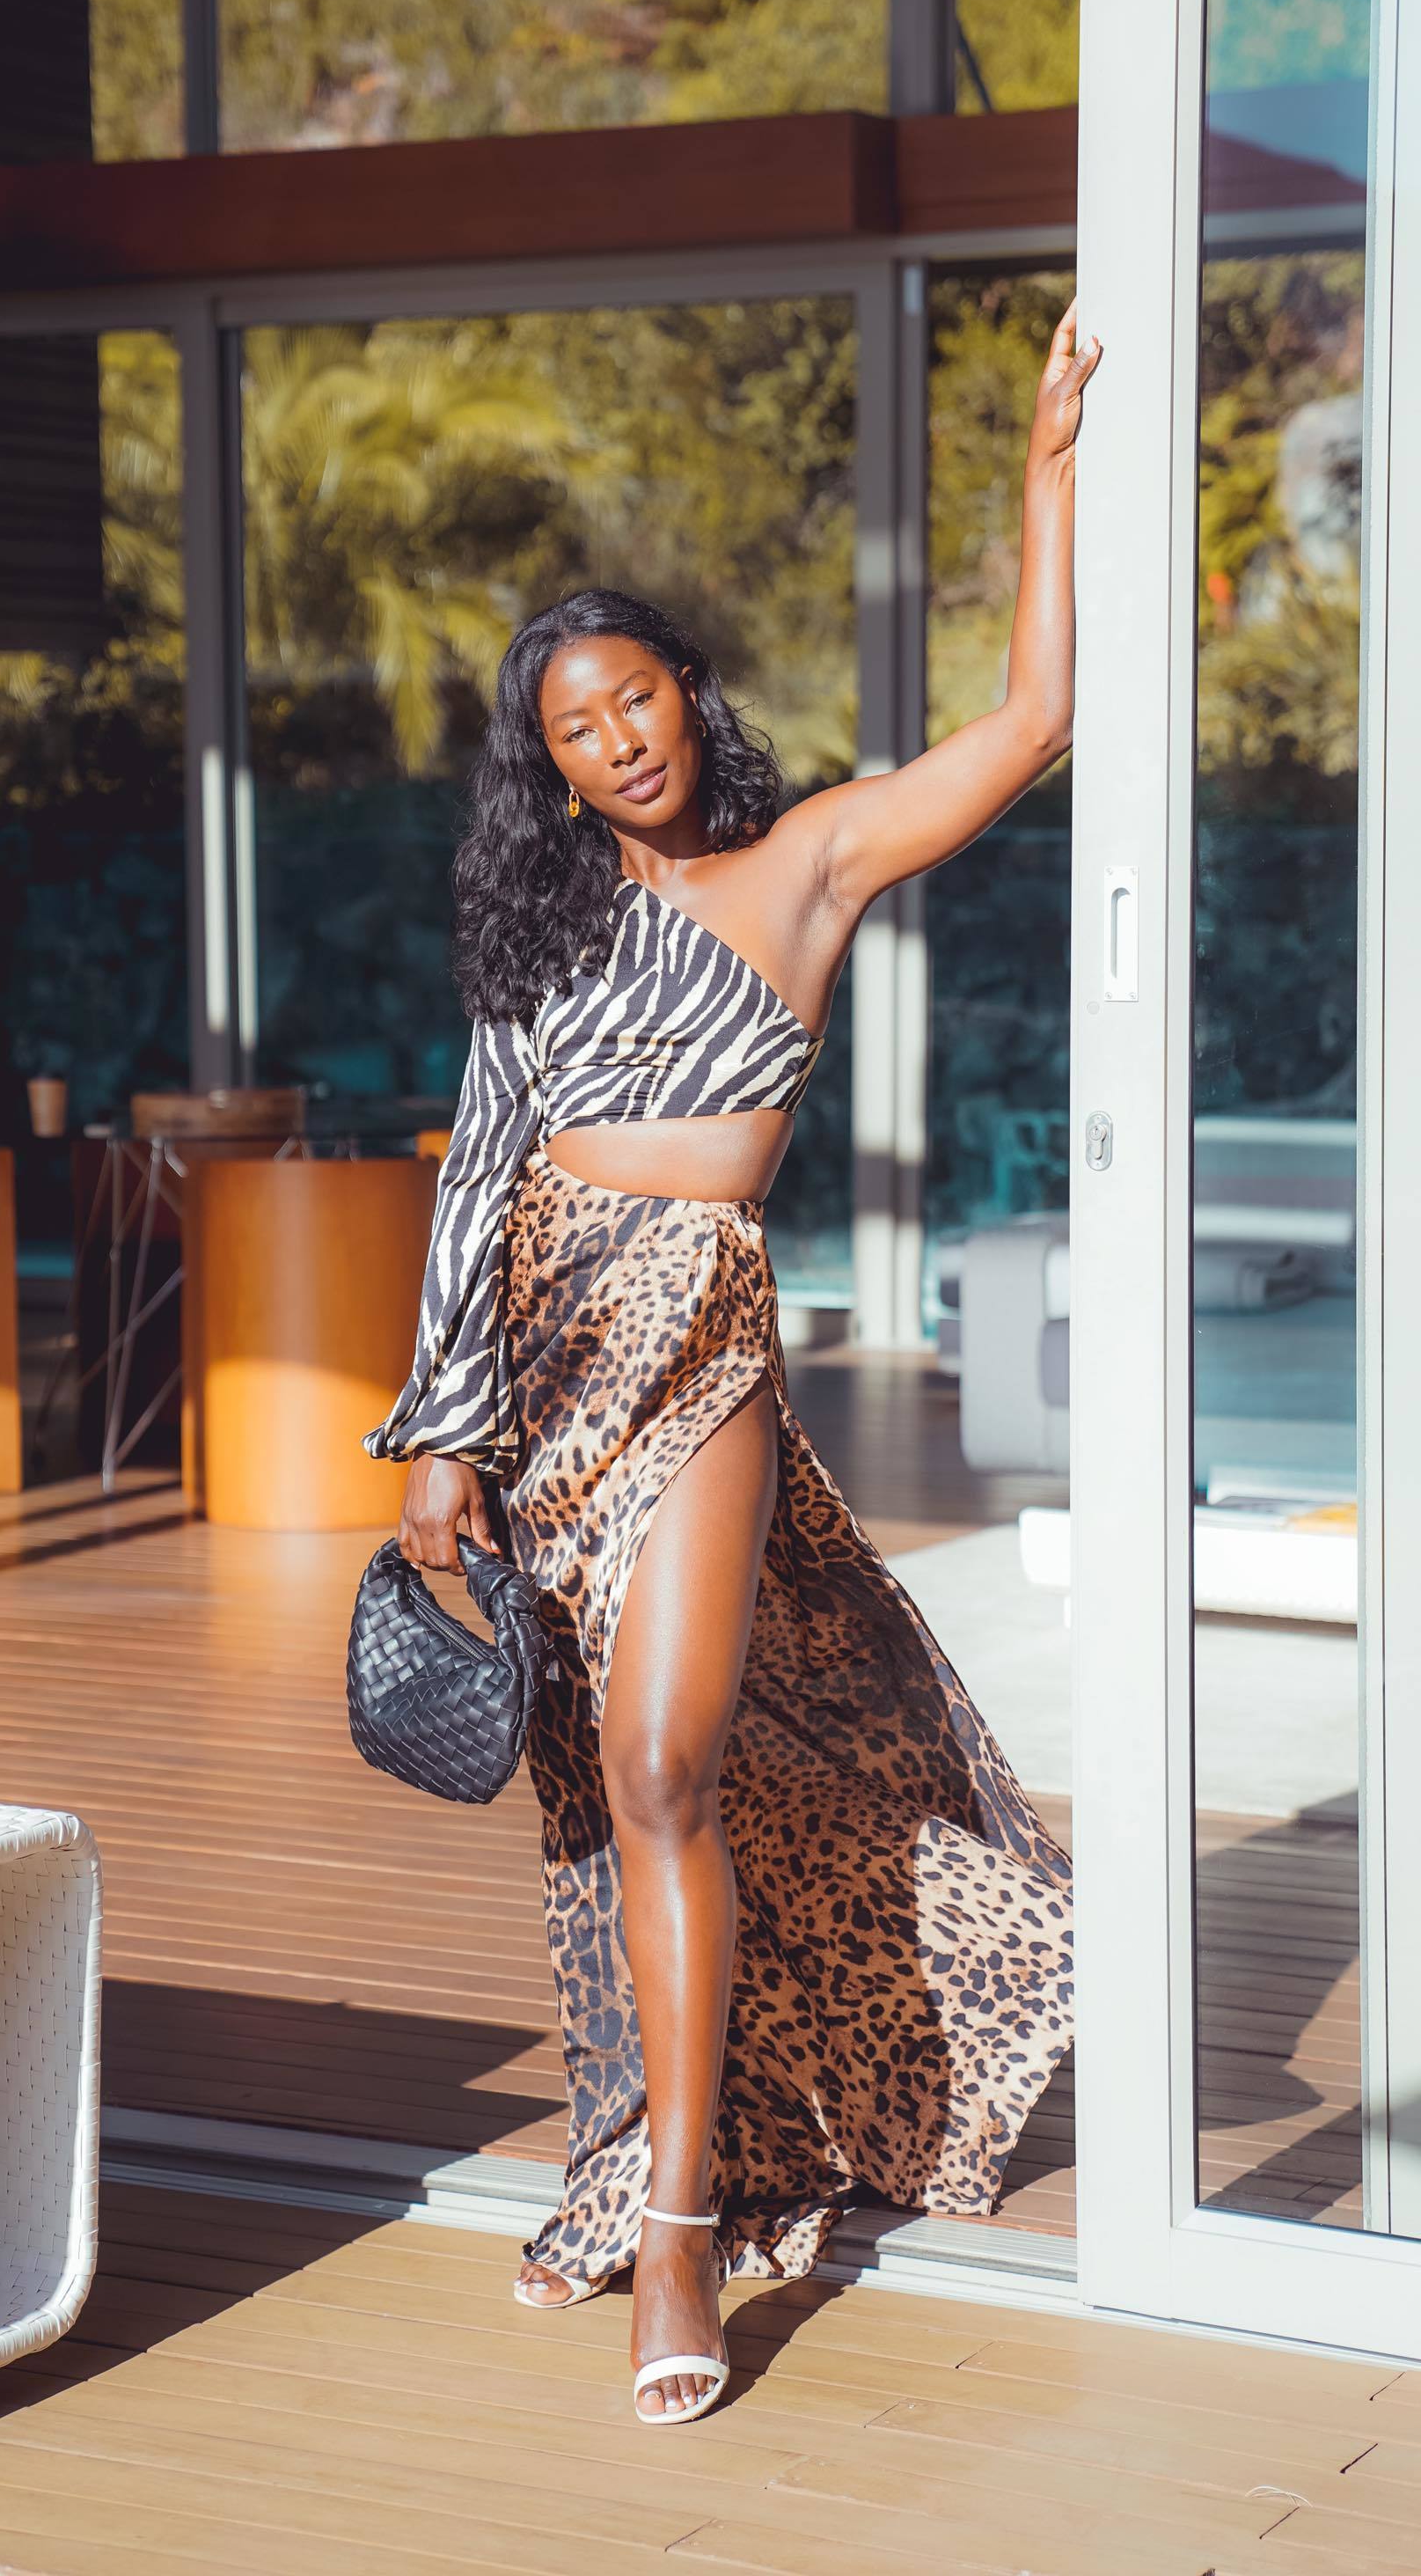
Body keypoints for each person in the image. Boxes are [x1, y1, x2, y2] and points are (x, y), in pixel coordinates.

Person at [367, 304, 1101, 2426]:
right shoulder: (533, 941)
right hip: (542, 1361)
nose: (619, 740)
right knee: (603, 1793)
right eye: (576, 729)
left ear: (688, 689)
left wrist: (1045, 468)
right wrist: (439, 1438)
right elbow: (476, 1173)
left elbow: (1032, 721)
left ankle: (682, 2228)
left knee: (667, 1759)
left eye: (638, 696)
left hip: (695, 1343)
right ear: (549, 766)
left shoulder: (806, 864)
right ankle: (645, 2150)